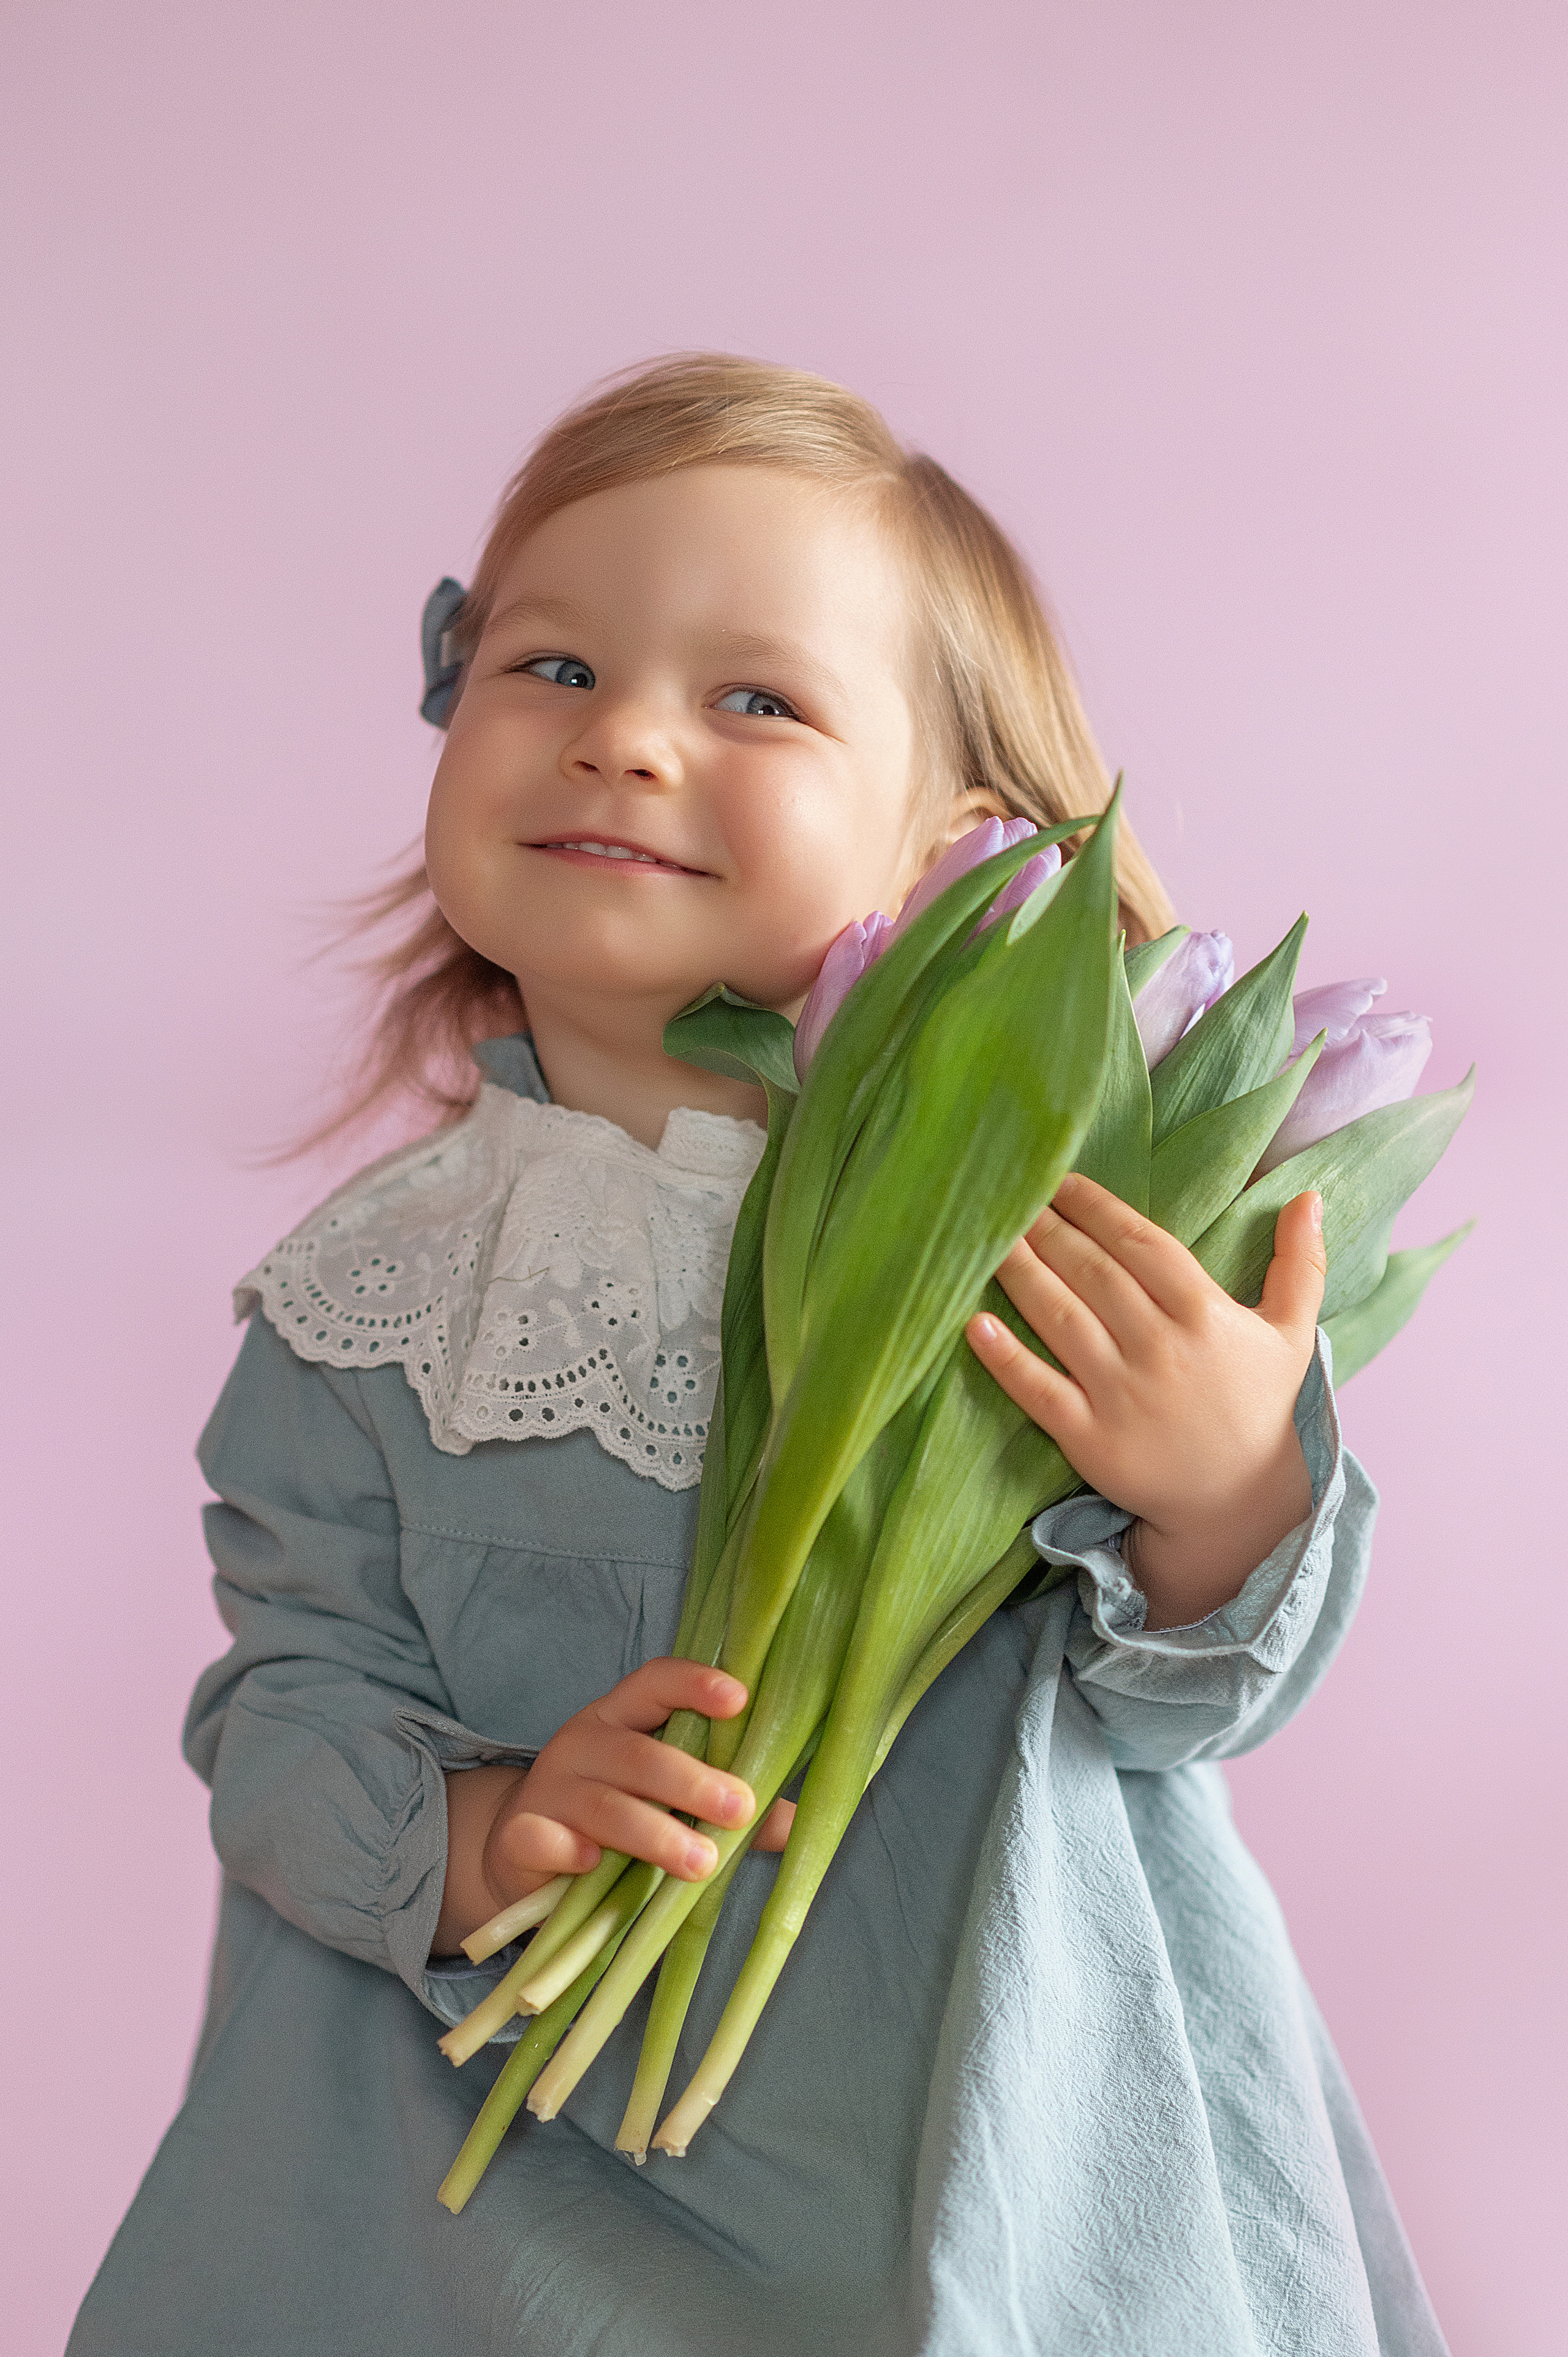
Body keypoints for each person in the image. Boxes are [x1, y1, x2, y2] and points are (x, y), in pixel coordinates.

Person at [69, 354, 1449, 2357]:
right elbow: (286, 1704)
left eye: (754, 699)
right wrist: (477, 1834)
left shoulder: (1038, 1238)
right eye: (550, 667)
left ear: (957, 836)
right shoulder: (374, 1295)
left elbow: (1189, 1707)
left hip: (994, 2145)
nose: (623, 739)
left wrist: (1226, 1488)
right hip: (482, 2187)